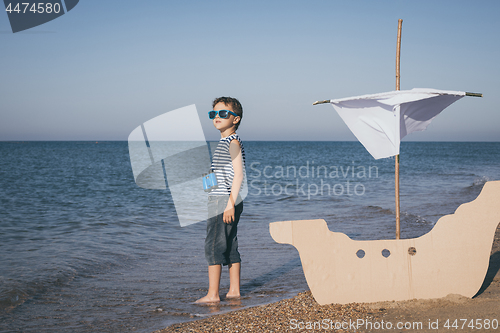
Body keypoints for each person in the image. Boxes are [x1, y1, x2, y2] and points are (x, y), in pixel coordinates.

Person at [196, 97, 245, 303]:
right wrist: (208, 181)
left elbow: (239, 174)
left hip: (224, 200)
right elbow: (222, 173)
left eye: (223, 113)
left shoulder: (232, 142)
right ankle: (234, 291)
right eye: (213, 113)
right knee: (230, 244)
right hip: (224, 198)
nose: (217, 117)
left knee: (213, 245)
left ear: (235, 119)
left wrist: (229, 204)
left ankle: (213, 294)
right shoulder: (224, 142)